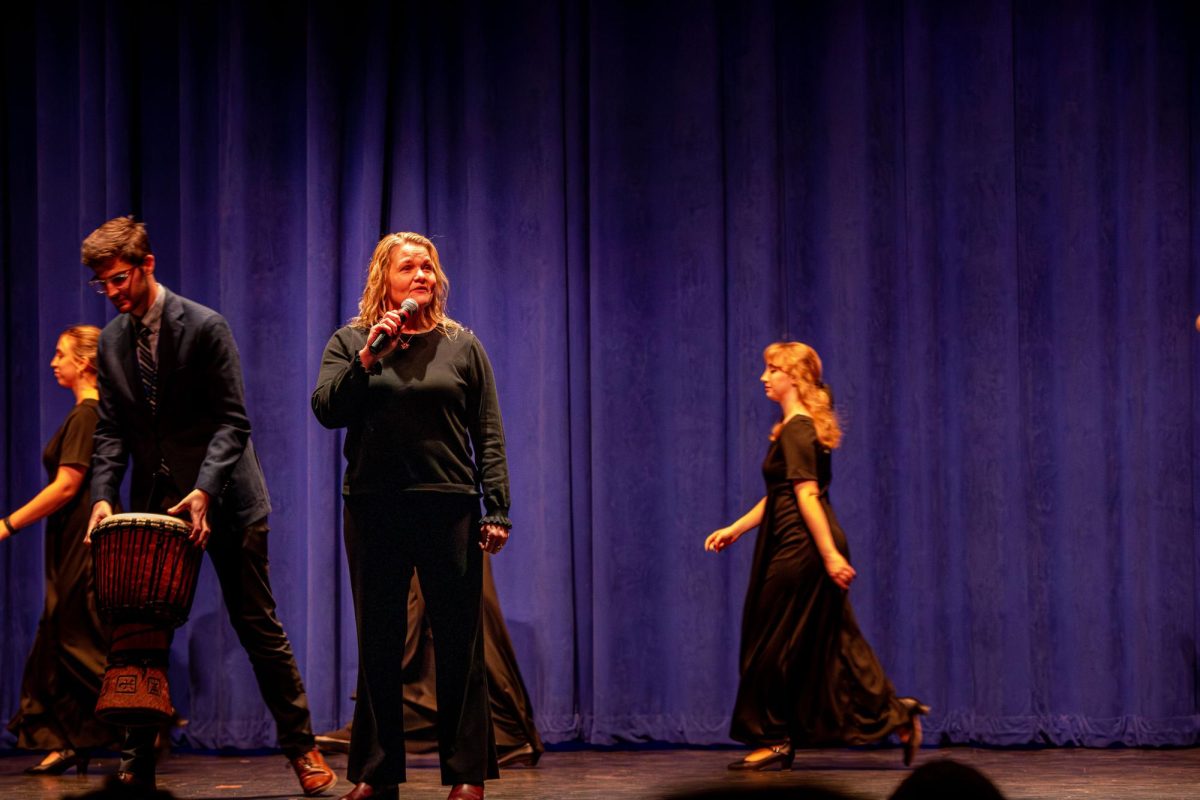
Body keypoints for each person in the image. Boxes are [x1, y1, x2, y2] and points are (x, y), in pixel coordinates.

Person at [80, 216, 336, 795]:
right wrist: (102, 498)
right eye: (103, 285)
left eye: (119, 279)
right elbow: (112, 432)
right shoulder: (113, 341)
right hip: (159, 508)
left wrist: (205, 490)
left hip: (227, 500)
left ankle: (303, 751)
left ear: (147, 265)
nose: (114, 293)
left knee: (257, 629)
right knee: (139, 638)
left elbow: (233, 420)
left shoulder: (203, 326)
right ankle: (136, 763)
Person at [312, 231, 512, 800]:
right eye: (408, 267)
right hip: (375, 508)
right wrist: (369, 357)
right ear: (384, 279)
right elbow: (327, 410)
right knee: (378, 641)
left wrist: (495, 506)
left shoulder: (462, 346)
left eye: (429, 267)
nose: (422, 275)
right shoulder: (352, 341)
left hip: (448, 506)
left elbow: (488, 433)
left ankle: (467, 775)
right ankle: (377, 775)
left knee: (458, 644)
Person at [705, 342, 927, 770]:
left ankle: (777, 739)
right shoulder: (794, 429)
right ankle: (898, 714)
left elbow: (807, 495)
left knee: (770, 646)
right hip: (797, 541)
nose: (763, 377)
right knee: (830, 642)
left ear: (795, 377)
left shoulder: (798, 430)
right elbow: (782, 495)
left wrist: (827, 555)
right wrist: (735, 528)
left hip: (801, 547)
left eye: (772, 369)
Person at [3, 325, 119, 774]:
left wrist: (7, 524)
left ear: (85, 363)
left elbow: (68, 485)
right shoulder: (83, 413)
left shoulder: (87, 414)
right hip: (68, 536)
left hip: (83, 536)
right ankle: (72, 738)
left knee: (74, 633)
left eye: (60, 354)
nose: (52, 362)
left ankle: (140, 718)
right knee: (58, 633)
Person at [315, 557, 544, 768]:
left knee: (464, 625)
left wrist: (497, 515)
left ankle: (508, 733)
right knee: (444, 625)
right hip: (420, 522)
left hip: (447, 522)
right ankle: (506, 735)